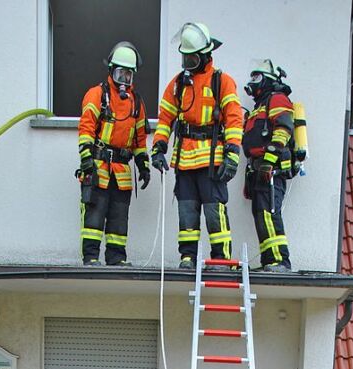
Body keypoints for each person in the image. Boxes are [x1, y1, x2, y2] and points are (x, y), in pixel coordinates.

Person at [150, 22, 243, 270]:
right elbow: (165, 118)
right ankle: (187, 258)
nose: (187, 62)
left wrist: (232, 154)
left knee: (214, 213)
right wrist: (158, 148)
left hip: (212, 161)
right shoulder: (178, 84)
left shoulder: (222, 82)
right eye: (185, 57)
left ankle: (220, 259)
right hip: (184, 161)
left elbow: (234, 118)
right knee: (187, 213)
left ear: (205, 55)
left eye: (192, 58)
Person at [77, 42, 150, 267]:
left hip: (121, 169)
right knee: (94, 214)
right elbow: (86, 127)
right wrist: (86, 158)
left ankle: (117, 258)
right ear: (111, 71)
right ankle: (91, 257)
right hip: (98, 165)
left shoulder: (136, 102)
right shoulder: (97, 94)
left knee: (119, 216)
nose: (124, 79)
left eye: (128, 75)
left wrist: (143, 164)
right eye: (120, 73)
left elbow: (139, 139)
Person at [242, 61, 295, 272]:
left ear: (268, 79)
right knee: (261, 213)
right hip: (258, 169)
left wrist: (269, 161)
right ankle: (269, 260)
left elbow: (283, 129)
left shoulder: (277, 99)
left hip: (270, 169)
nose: (252, 82)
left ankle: (280, 261)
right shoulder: (259, 107)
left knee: (269, 213)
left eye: (256, 77)